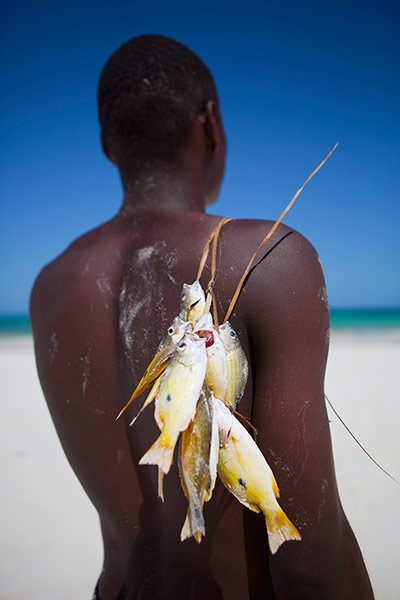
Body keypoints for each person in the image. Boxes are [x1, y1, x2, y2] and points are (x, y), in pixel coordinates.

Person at [30, 34, 374, 600]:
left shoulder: (50, 287)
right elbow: (312, 564)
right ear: (210, 123)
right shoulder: (269, 256)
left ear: (108, 146)